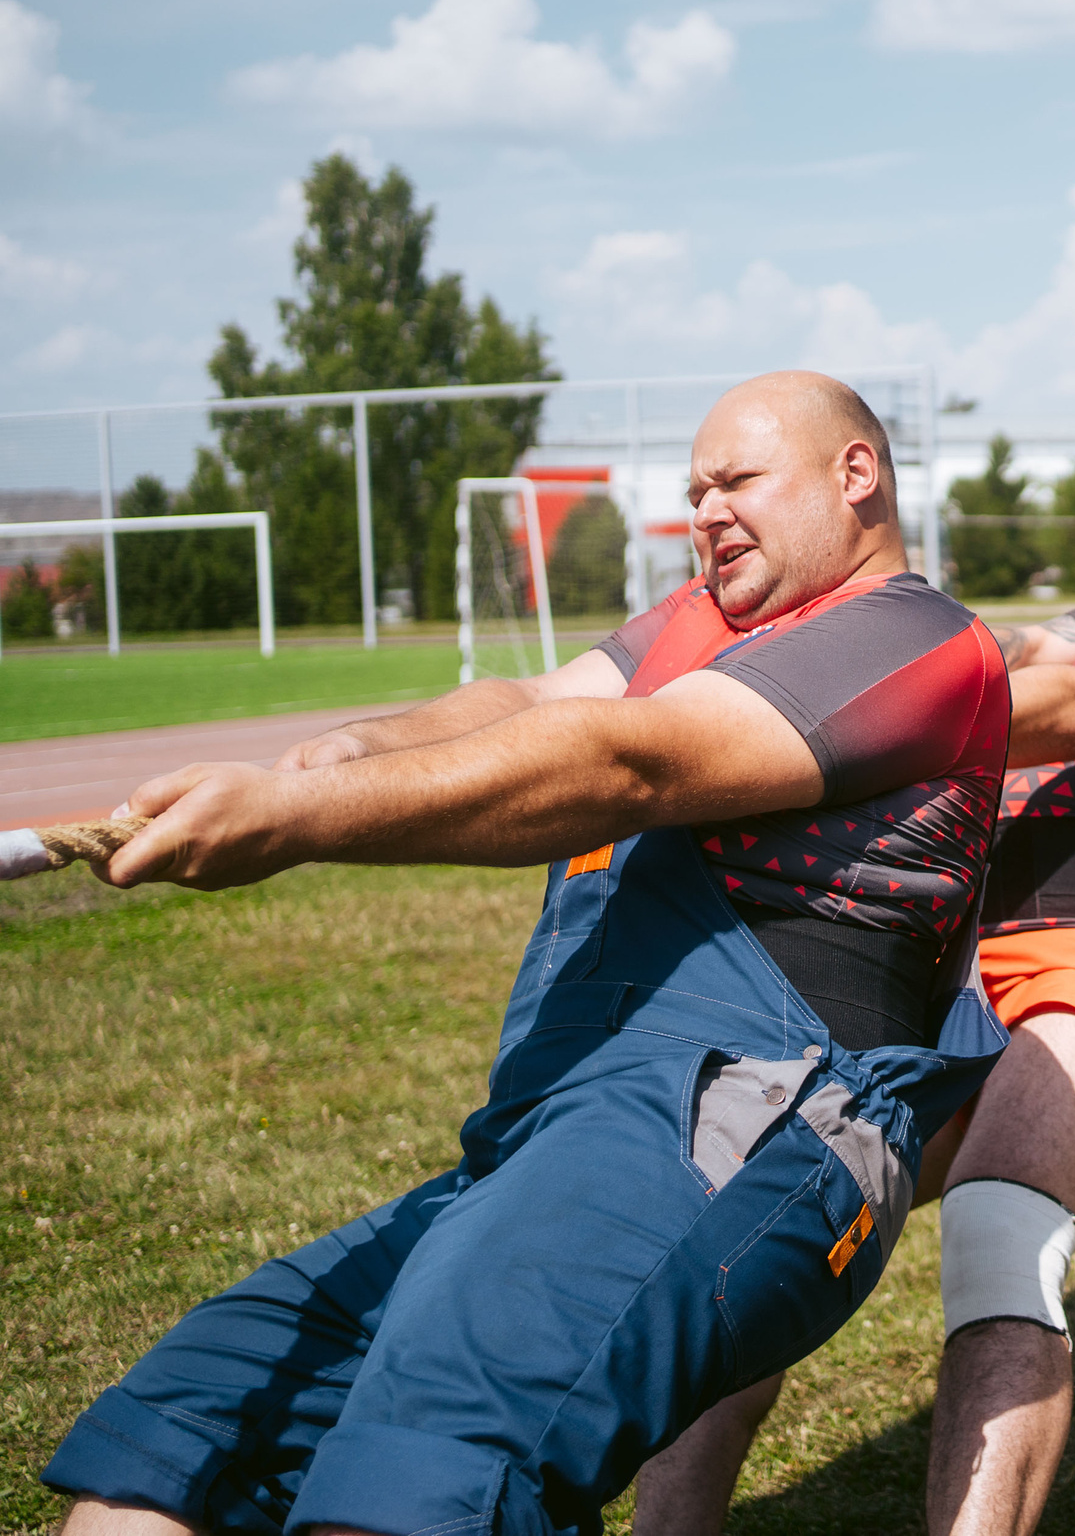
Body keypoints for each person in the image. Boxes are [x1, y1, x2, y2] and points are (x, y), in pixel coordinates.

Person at [43, 373, 1013, 1536]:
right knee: (179, 1435)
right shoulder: (699, 624)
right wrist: (345, 754)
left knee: (417, 1489)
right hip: (553, 1131)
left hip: (744, 1118)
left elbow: (621, 762)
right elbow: (522, 700)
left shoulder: (909, 636)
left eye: (738, 481)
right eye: (695, 489)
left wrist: (303, 827)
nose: (706, 510)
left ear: (855, 475)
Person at [639, 441, 1075, 1536]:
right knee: (761, 1237)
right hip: (960, 964)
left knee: (999, 1236)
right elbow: (1007, 643)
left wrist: (847, 711)